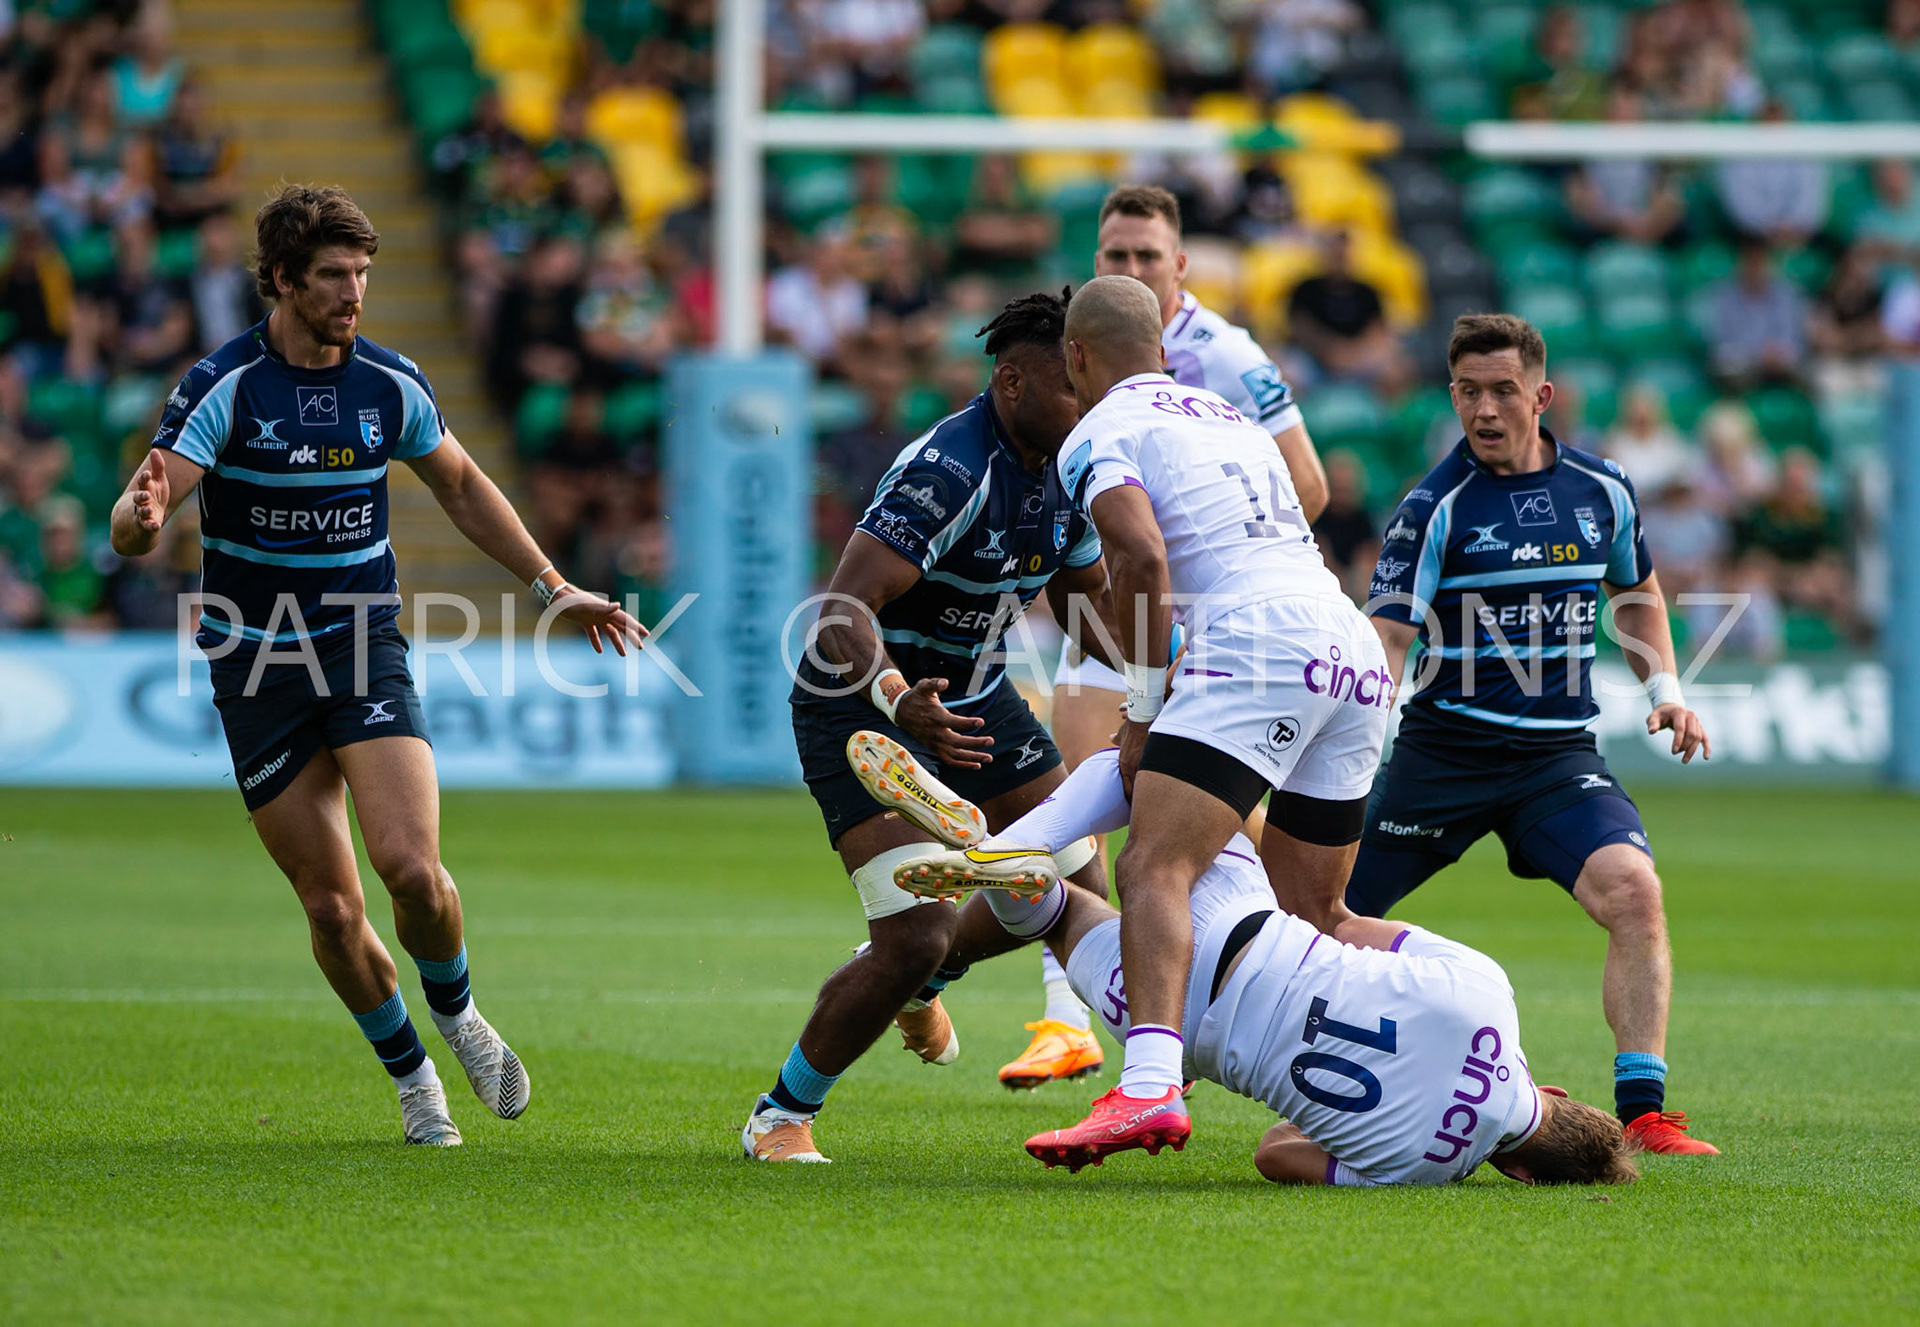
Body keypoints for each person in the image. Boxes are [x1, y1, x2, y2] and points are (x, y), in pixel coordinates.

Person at [106, 185, 644, 1146]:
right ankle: (412, 1077)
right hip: (255, 665)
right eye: (332, 277)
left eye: (361, 275)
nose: (353, 293)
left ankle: (460, 1014)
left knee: (413, 870)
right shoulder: (223, 387)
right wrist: (138, 522)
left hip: (362, 644)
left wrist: (554, 587)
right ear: (281, 281)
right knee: (330, 904)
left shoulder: (389, 384)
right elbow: (144, 509)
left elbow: (465, 487)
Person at [741, 290, 1124, 1164]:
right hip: (858, 697)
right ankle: (779, 1114)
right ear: (1012, 380)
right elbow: (842, 606)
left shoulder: (1070, 466)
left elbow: (1086, 609)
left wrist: (1168, 674)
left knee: (1074, 864)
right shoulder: (951, 468)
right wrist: (896, 697)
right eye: (1072, 386)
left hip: (976, 693)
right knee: (911, 931)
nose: (1087, 402)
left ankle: (938, 975)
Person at [885, 746, 1639, 1185]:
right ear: (1524, 1172)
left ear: (1554, 1090)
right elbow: (1275, 1154)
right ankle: (1028, 882)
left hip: (1243, 922)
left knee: (1145, 770)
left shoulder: (1488, 996)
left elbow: (1345, 926)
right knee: (1056, 916)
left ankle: (1019, 838)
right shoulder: (1420, 1169)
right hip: (1180, 1027)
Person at [1025, 276, 1386, 1164]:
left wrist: (1146, 704)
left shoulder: (1097, 430)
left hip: (1256, 641)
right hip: (1349, 642)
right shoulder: (1231, 417)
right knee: (1317, 907)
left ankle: (1146, 1088)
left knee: (1154, 863)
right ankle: (1453, 1028)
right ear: (1165, 346)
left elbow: (1141, 556)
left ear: (1076, 357)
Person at [1347, 312, 1719, 1158]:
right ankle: (1172, 1063)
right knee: (1316, 913)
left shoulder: (1603, 489)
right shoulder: (1431, 508)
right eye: (1468, 392)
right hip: (1442, 757)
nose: (1484, 409)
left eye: (1502, 391)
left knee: (1636, 893)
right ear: (1451, 395)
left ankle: (1645, 1112)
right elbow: (1388, 641)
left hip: (1555, 758)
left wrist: (1663, 685)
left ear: (1540, 395)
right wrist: (1350, 746)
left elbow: (1637, 592)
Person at [1017, 184, 1331, 1090]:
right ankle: (1072, 1016)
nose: (1130, 269)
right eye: (1115, 255)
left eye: (1147, 256)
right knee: (1094, 791)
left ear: (1180, 265)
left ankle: (1220, 993)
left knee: (1190, 825)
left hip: (1210, 623)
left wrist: (1212, 572)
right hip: (1115, 603)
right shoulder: (1089, 339)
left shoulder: (1226, 355)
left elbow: (1305, 485)